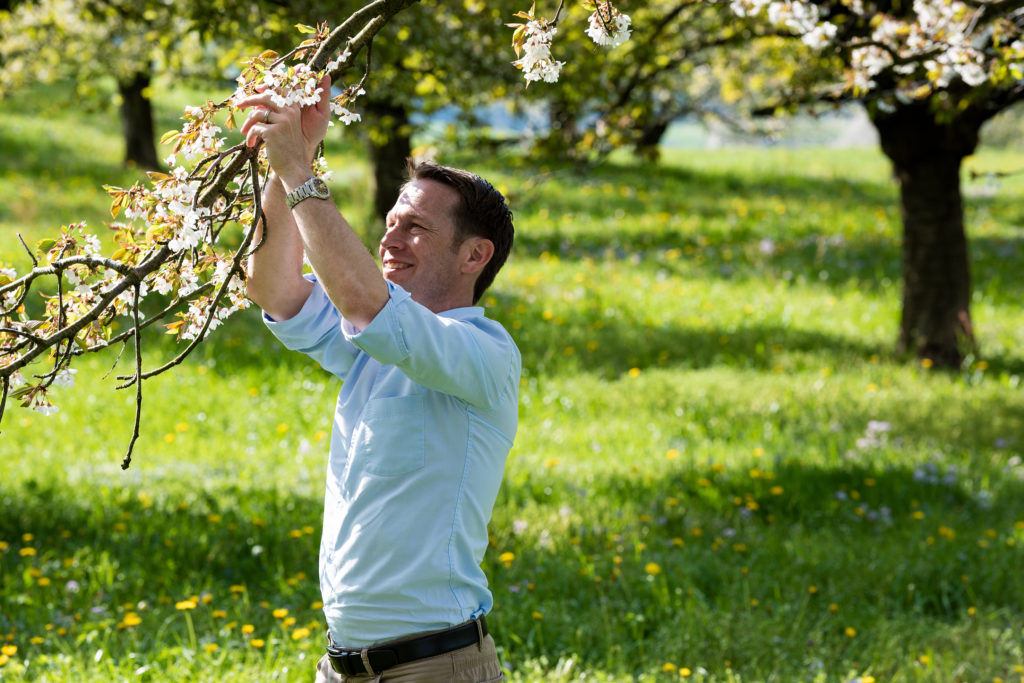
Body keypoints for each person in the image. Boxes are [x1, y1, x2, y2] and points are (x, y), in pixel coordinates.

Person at [238, 76, 519, 682]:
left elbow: (367, 304)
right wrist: (292, 159)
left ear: (475, 256)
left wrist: (299, 176)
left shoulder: (484, 354)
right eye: (390, 222)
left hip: (437, 667)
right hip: (341, 668)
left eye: (415, 227)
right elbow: (273, 288)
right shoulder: (372, 347)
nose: (390, 239)